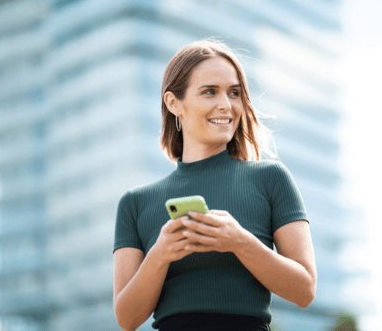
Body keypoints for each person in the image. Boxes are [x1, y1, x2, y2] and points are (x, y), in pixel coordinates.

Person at [113, 39, 317, 331]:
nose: (226, 105)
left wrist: (239, 241)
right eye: (210, 92)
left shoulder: (271, 178)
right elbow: (126, 319)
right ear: (174, 103)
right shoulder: (135, 203)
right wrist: (160, 254)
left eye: (234, 93)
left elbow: (305, 290)